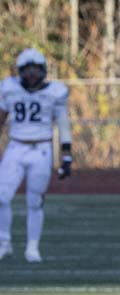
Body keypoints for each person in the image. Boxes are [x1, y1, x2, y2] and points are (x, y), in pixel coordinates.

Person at [0, 48, 72, 263]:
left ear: (43, 70)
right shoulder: (9, 88)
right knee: (1, 197)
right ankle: (4, 241)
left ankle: (32, 247)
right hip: (15, 147)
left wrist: (66, 156)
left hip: (42, 149)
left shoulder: (55, 92)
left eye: (35, 69)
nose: (31, 75)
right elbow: (1, 120)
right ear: (20, 71)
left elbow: (63, 125)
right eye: (27, 70)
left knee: (35, 201)